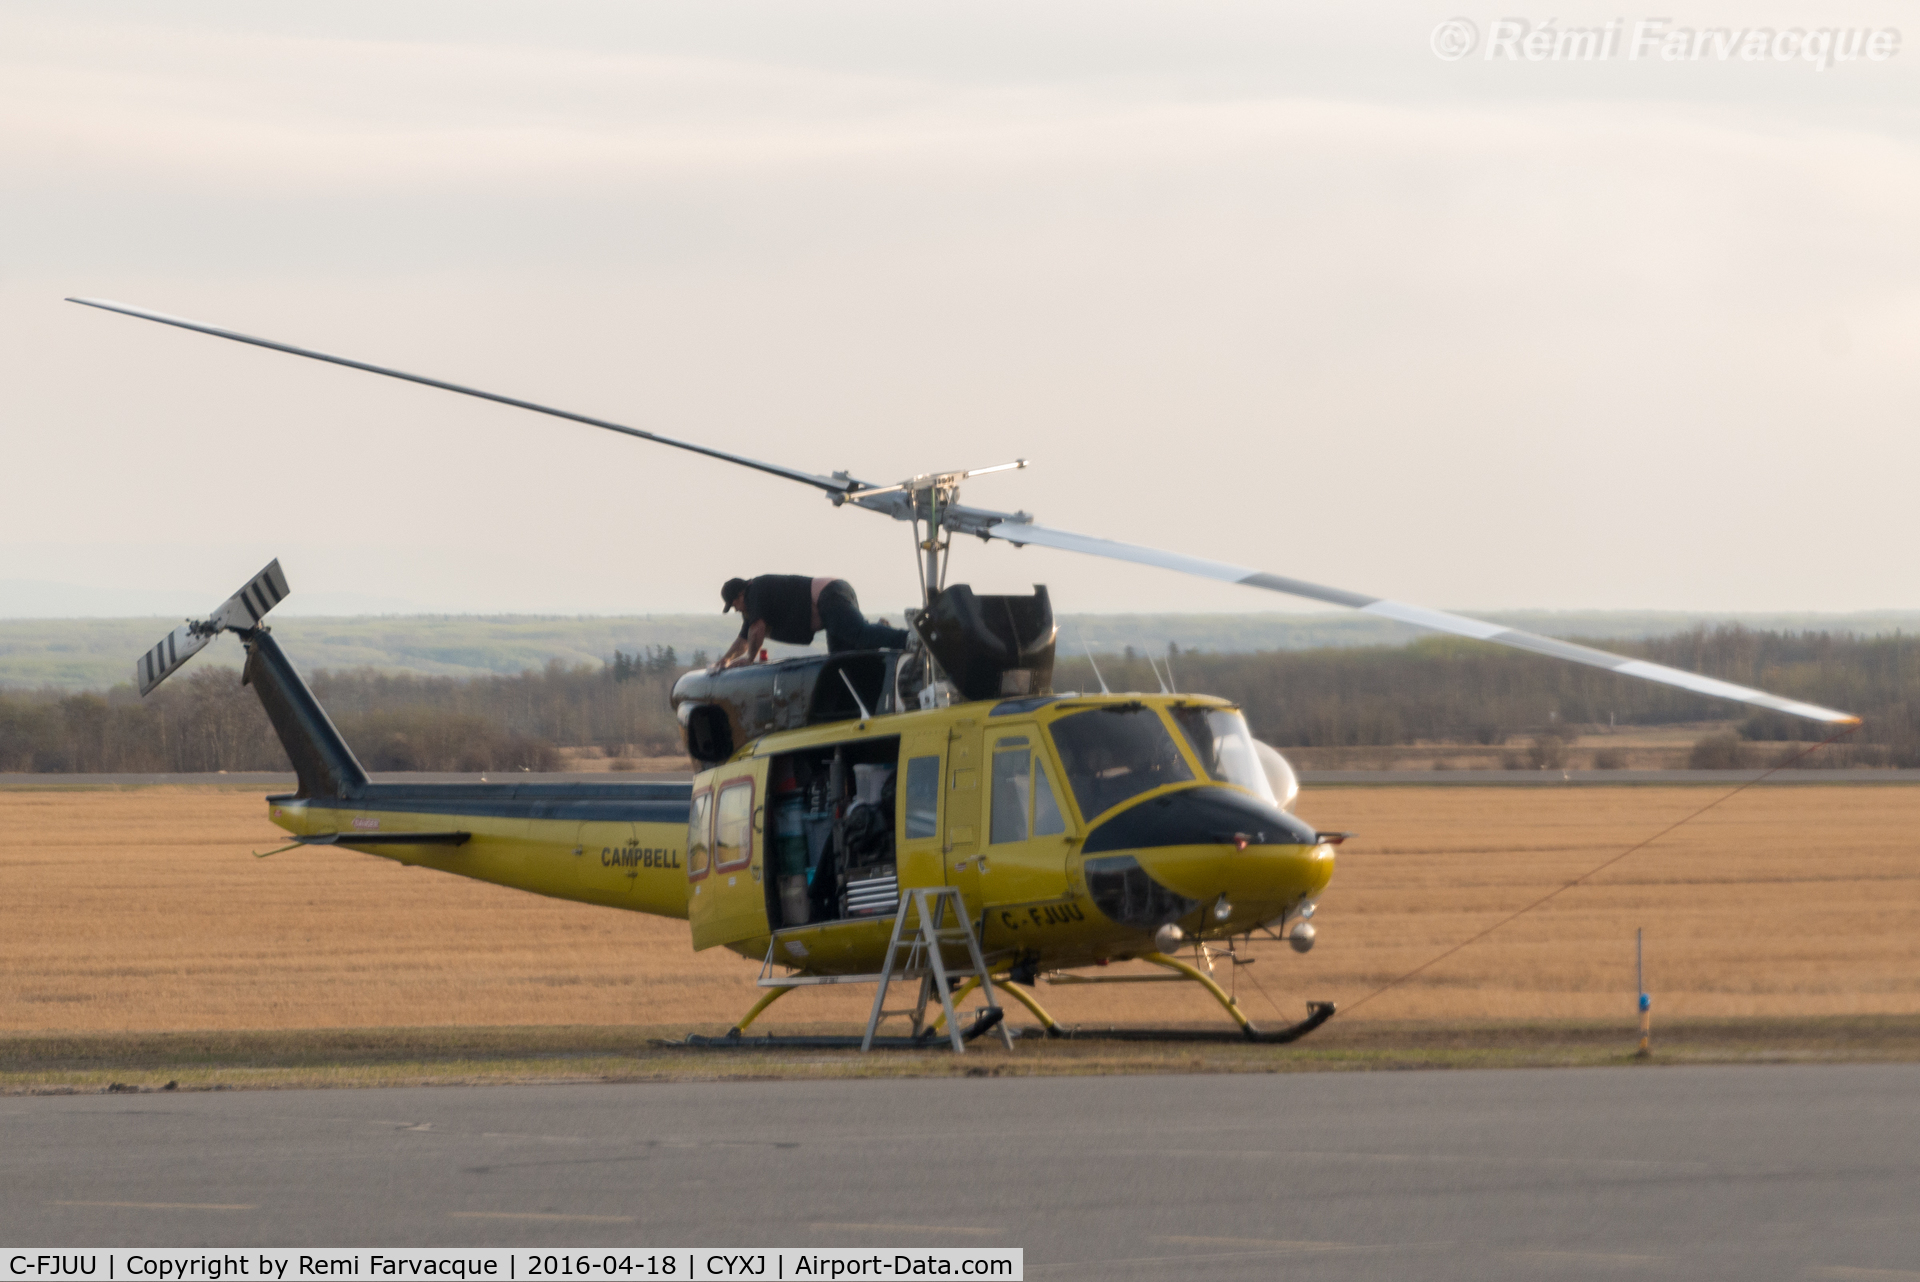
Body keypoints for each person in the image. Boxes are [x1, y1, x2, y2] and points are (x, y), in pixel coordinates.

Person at [715, 575, 910, 669]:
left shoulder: (754, 592)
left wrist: (750, 660)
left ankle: (909, 639)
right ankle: (882, 631)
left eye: (734, 605)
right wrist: (726, 659)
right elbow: (744, 639)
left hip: (829, 595)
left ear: (741, 595)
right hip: (829, 603)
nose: (737, 610)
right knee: (842, 661)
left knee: (858, 633)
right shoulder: (752, 608)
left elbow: (757, 630)